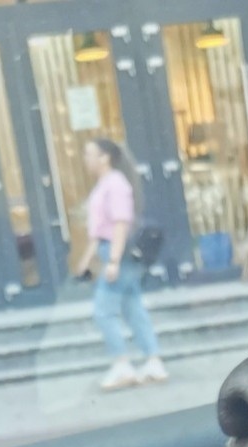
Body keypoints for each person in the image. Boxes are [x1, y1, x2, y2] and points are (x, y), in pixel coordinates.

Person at [74, 137, 168, 391]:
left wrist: (113, 261)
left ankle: (122, 364)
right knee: (133, 308)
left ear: (104, 158)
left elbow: (120, 224)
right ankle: (153, 361)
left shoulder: (115, 185)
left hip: (119, 254)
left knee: (103, 311)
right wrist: (87, 259)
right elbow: (100, 231)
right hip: (113, 252)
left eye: (89, 154)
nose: (85, 159)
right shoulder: (106, 184)